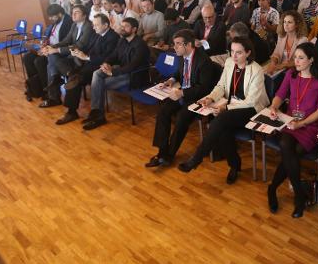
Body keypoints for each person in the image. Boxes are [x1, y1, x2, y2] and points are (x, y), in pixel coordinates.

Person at [178, 37, 269, 183]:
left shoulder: (256, 70)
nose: (234, 56)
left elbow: (251, 101)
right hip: (230, 107)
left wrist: (224, 107)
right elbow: (221, 86)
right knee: (222, 128)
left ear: (248, 53)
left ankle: (196, 158)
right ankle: (235, 165)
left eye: (238, 53)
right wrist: (210, 98)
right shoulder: (229, 63)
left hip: (251, 109)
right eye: (232, 51)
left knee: (220, 119)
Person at [267, 43, 318, 218]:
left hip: (311, 124)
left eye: (301, 58)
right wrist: (274, 107)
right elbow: (280, 95)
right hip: (291, 121)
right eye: (295, 57)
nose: (296, 61)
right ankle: (298, 195)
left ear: (311, 60)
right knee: (286, 144)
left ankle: (273, 188)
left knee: (291, 151)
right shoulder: (291, 74)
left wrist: (301, 124)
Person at [146, 29, 222, 167]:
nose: (174, 47)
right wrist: (172, 79)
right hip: (183, 92)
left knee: (181, 118)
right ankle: (162, 152)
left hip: (197, 97)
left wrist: (182, 93)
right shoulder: (182, 55)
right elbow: (179, 71)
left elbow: (204, 88)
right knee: (163, 111)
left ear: (188, 45)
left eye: (178, 44)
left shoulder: (204, 61)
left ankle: (169, 155)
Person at [82, 17, 150, 130]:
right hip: (122, 71)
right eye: (121, 26)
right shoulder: (122, 40)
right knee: (97, 73)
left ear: (134, 29)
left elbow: (133, 66)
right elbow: (114, 55)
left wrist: (112, 72)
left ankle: (98, 116)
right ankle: (97, 113)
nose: (122, 28)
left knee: (99, 84)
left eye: (126, 26)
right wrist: (106, 63)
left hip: (135, 76)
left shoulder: (140, 45)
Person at [55, 13, 119, 125]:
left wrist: (87, 57)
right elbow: (88, 47)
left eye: (96, 25)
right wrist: (79, 52)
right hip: (88, 64)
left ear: (105, 25)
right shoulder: (97, 34)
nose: (93, 27)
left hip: (99, 67)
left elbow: (108, 58)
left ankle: (71, 112)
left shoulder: (113, 37)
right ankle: (67, 79)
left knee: (76, 79)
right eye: (93, 25)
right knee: (66, 67)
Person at [40, 5, 94, 108]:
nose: (73, 14)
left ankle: (57, 84)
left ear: (84, 16)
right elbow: (66, 40)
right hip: (71, 55)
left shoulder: (88, 26)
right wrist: (50, 47)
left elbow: (80, 45)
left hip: (82, 58)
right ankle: (60, 77)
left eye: (76, 12)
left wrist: (55, 50)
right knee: (51, 57)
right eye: (72, 12)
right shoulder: (74, 25)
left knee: (52, 59)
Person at [23, 4, 72, 101]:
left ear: (59, 14)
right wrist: (44, 44)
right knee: (27, 57)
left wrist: (50, 48)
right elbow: (50, 36)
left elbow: (67, 42)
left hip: (58, 51)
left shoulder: (68, 22)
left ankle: (48, 91)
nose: (50, 18)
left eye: (52, 16)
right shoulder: (55, 22)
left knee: (39, 62)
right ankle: (36, 87)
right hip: (49, 47)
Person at [265, 10, 308, 75]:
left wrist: (283, 65)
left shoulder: (303, 40)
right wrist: (273, 63)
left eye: (289, 22)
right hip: (280, 68)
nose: (286, 25)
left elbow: (299, 61)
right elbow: (276, 53)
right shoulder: (281, 36)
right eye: (284, 22)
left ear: (296, 25)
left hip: (294, 70)